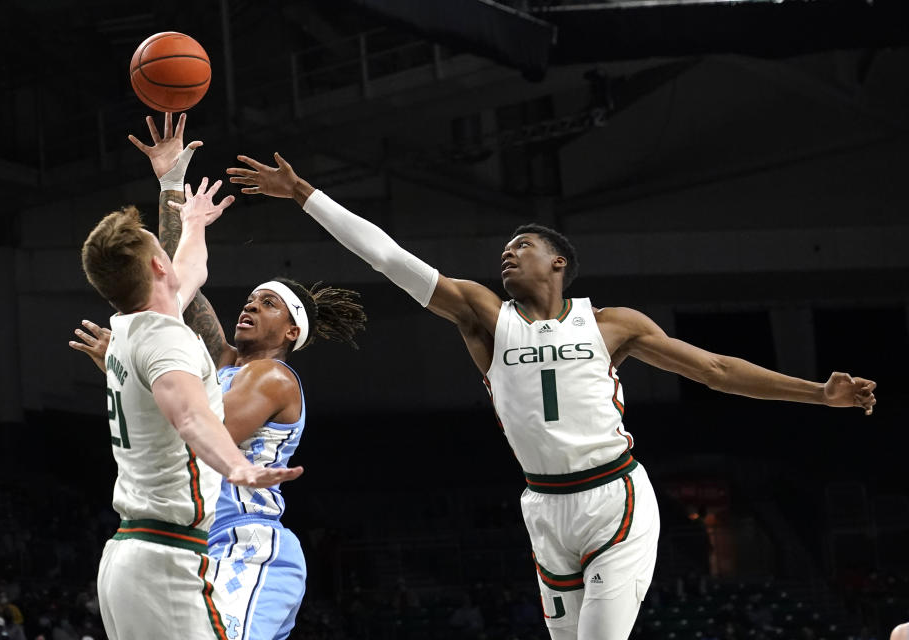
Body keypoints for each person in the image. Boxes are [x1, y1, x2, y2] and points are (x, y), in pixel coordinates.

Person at [224, 152, 878, 640]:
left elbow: (716, 370)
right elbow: (391, 260)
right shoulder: (484, 314)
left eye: (523, 247)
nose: (508, 255)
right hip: (544, 510)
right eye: (505, 249)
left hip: (616, 498)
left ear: (559, 262)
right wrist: (305, 193)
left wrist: (819, 394)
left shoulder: (614, 323)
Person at [71, 113, 366, 640]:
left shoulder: (272, 376)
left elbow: (202, 421)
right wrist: (171, 188)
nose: (251, 305)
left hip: (244, 542)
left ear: (293, 330)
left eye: (268, 302)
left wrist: (133, 377)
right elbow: (178, 273)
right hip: (189, 543)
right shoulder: (191, 350)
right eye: (251, 298)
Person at [80, 163, 303, 640]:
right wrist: (235, 466)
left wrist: (188, 211)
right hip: (167, 556)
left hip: (126, 554)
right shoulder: (168, 341)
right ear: (158, 266)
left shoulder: (128, 329)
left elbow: (191, 268)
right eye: (162, 248)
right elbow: (191, 418)